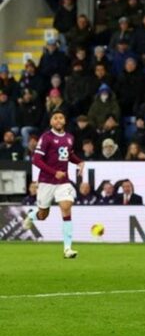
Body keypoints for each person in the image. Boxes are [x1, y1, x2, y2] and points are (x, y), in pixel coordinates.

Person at [22, 110, 84, 259]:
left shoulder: (69, 137)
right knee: (43, 215)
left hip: (63, 182)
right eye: (55, 118)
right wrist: (53, 172)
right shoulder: (46, 137)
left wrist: (79, 162)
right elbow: (36, 160)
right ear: (51, 122)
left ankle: (67, 249)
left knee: (66, 207)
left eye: (61, 118)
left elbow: (69, 154)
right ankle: (31, 216)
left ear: (64, 121)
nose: (58, 120)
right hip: (46, 182)